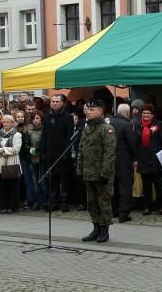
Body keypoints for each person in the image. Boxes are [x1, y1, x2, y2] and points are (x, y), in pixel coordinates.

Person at [78, 99, 116, 243]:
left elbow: (110, 153)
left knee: (103, 202)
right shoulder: (86, 129)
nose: (88, 111)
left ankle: (104, 229)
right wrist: (80, 169)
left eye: (92, 109)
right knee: (92, 202)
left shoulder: (107, 129)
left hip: (101, 173)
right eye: (87, 109)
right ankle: (96, 228)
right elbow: (81, 150)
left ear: (100, 111)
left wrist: (105, 173)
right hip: (88, 172)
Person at [40, 94, 74, 212]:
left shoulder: (67, 117)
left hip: (62, 153)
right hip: (50, 153)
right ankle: (53, 202)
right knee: (52, 180)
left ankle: (64, 202)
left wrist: (67, 152)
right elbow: (44, 136)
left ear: (62, 103)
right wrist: (42, 152)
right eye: (53, 101)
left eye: (57, 101)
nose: (54, 103)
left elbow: (69, 136)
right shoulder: (46, 117)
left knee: (64, 180)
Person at [134, 104, 162, 215]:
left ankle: (161, 206)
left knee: (158, 185)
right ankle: (147, 207)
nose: (145, 115)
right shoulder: (138, 126)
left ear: (152, 115)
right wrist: (136, 158)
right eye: (143, 113)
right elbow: (136, 144)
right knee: (146, 186)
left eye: (148, 113)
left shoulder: (159, 124)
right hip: (143, 160)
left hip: (156, 160)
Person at [110, 103, 136, 223]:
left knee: (114, 186)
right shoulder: (127, 125)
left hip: (111, 159)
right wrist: (135, 156)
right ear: (126, 113)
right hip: (124, 160)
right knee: (125, 187)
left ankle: (114, 211)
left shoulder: (110, 123)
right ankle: (123, 213)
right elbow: (132, 144)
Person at [0, 114, 22, 214]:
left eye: (8, 122)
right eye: (4, 122)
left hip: (11, 163)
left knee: (12, 185)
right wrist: (0, 151)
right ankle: (3, 206)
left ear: (13, 123)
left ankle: (13, 206)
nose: (5, 124)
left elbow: (16, 149)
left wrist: (4, 150)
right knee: (1, 186)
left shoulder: (17, 135)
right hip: (0, 162)